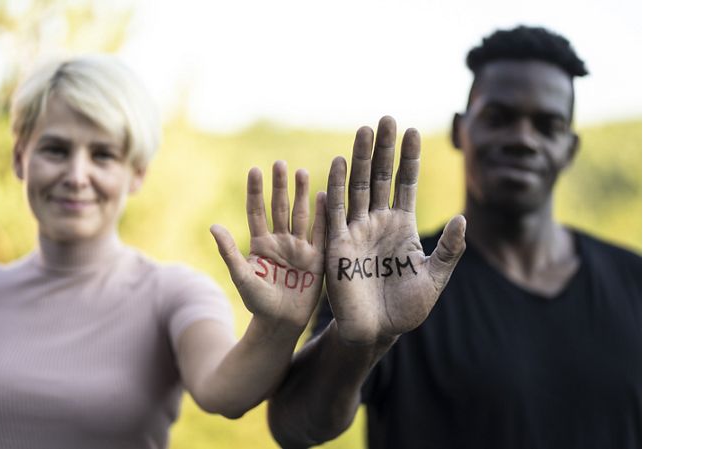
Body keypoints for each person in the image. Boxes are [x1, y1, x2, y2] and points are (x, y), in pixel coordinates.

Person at [267, 26, 641, 449]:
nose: (522, 138)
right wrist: (359, 344)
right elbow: (294, 427)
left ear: (570, 148)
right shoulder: (390, 275)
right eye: (498, 118)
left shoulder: (641, 282)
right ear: (459, 131)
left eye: (547, 125)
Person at [0, 55, 328, 448]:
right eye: (55, 149)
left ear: (136, 173)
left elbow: (225, 392)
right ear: (21, 159)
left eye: (103, 155)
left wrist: (277, 326)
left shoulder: (173, 293)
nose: (76, 176)